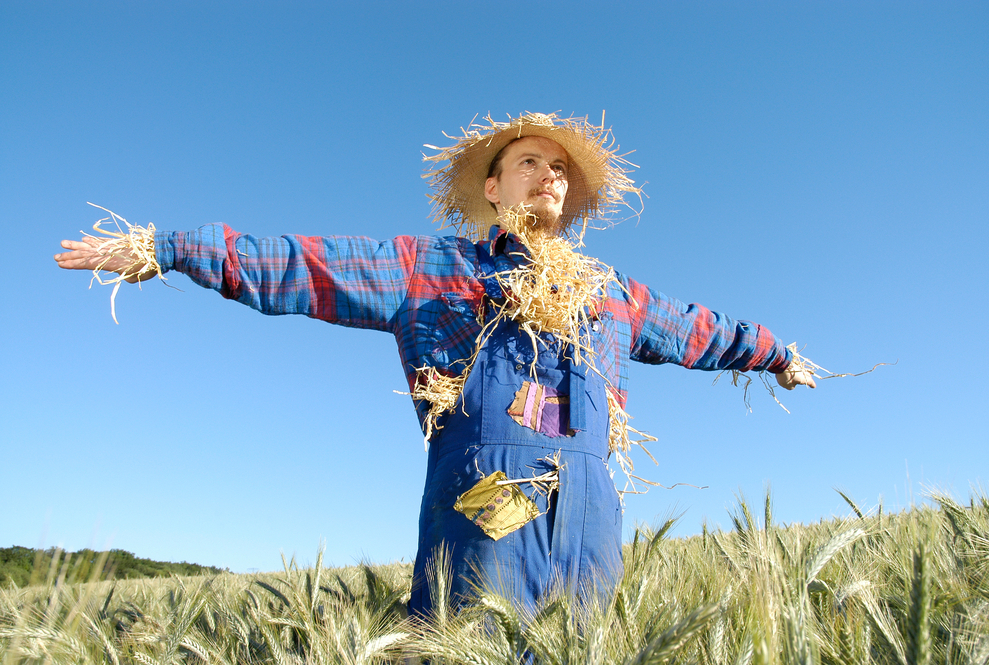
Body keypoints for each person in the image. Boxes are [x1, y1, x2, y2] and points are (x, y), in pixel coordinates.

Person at [55, 112, 815, 616]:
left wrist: (778, 354)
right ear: (493, 187)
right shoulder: (434, 270)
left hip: (592, 516)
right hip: (484, 505)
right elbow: (304, 264)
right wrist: (173, 248)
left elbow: (705, 331)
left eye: (558, 167)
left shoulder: (613, 295)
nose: (548, 174)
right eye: (527, 161)